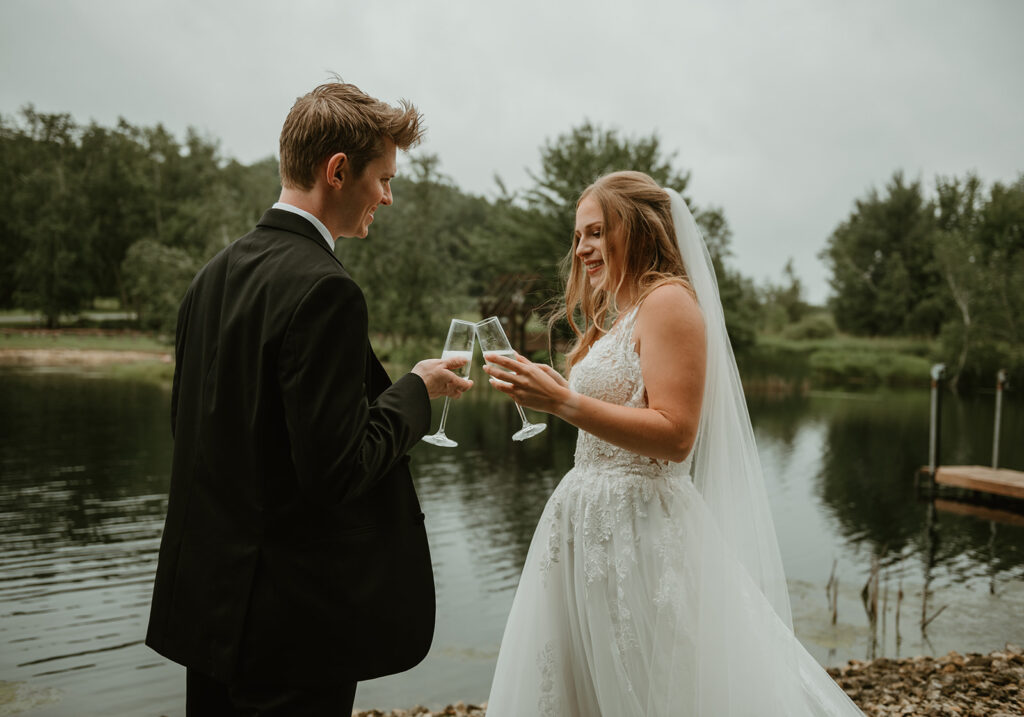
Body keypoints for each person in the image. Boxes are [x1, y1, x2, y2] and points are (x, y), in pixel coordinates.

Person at [145, 81, 472, 716]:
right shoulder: (327, 291)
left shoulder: (211, 276)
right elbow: (336, 470)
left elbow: (194, 435)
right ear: (339, 171)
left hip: (210, 619)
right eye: (383, 177)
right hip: (290, 631)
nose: (388, 195)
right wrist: (416, 392)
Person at [482, 171, 864, 715]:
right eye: (577, 237)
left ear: (635, 228)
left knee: (651, 687)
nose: (583, 248)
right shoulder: (622, 316)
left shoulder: (669, 303)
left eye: (595, 231)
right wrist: (548, 389)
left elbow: (677, 435)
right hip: (587, 521)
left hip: (640, 527)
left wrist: (563, 403)